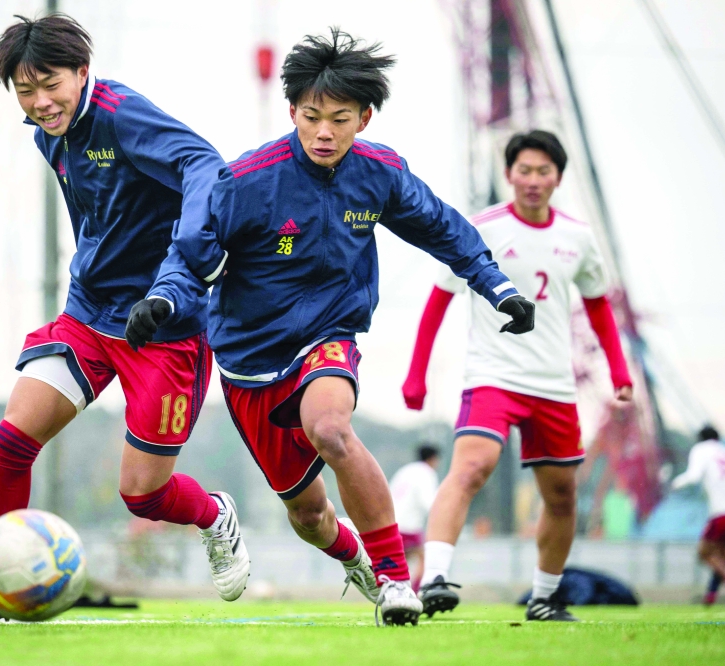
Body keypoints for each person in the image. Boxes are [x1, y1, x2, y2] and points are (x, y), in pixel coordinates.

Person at [128, 28, 534, 626]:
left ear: (364, 118)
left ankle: (398, 582)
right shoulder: (246, 181)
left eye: (340, 118)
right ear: (292, 110)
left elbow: (444, 229)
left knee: (331, 429)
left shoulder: (379, 174)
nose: (324, 132)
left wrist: (498, 286)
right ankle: (355, 557)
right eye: (312, 116)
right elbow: (191, 255)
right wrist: (162, 299)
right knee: (309, 517)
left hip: (328, 336)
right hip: (248, 359)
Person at [0, 14, 248, 626]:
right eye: (24, 91)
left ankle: (214, 516)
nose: (39, 101)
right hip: (89, 314)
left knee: (143, 494)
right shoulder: (49, 135)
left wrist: (181, 273)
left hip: (162, 328)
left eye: (49, 83)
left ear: (81, 71)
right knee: (13, 439)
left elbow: (205, 165)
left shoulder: (123, 113)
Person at [402, 130, 633, 622]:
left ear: (558, 178)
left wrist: (619, 371)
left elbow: (598, 307)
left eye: (542, 171)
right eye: (523, 171)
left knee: (563, 495)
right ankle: (435, 577)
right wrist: (416, 374)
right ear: (509, 174)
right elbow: (440, 298)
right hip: (494, 375)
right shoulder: (478, 228)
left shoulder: (578, 238)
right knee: (472, 467)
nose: (532, 180)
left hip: (553, 384)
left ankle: (545, 598)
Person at [670, 425, 725, 604]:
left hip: (720, 512)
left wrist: (676, 483)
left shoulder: (701, 450)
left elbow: (694, 476)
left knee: (704, 553)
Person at [389, 445, 442, 591]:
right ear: (433, 459)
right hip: (409, 525)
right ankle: (414, 591)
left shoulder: (405, 470)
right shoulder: (427, 473)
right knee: (423, 560)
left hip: (393, 522)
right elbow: (428, 502)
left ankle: (396, 589)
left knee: (401, 560)